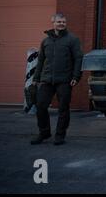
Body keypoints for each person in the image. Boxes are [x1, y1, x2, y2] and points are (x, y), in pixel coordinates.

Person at [30, 13, 83, 145]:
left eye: (63, 22)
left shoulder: (72, 39)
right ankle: (44, 132)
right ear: (53, 23)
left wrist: (76, 76)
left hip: (65, 80)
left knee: (63, 108)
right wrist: (36, 78)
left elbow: (78, 58)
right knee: (41, 106)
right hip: (47, 79)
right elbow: (41, 60)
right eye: (59, 22)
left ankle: (60, 135)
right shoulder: (45, 41)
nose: (61, 24)